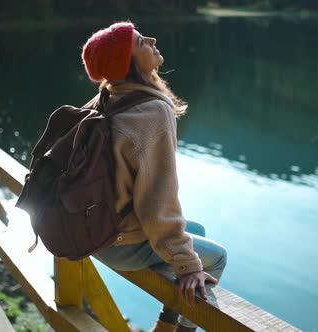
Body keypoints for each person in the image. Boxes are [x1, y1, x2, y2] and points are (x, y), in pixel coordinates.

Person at [80, 22, 228, 332]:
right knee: (216, 258)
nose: (152, 39)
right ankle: (178, 329)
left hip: (94, 232)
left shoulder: (104, 98)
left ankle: (165, 324)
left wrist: (178, 250)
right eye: (139, 41)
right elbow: (156, 200)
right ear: (128, 62)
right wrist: (187, 265)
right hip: (118, 243)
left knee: (196, 229)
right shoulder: (151, 112)